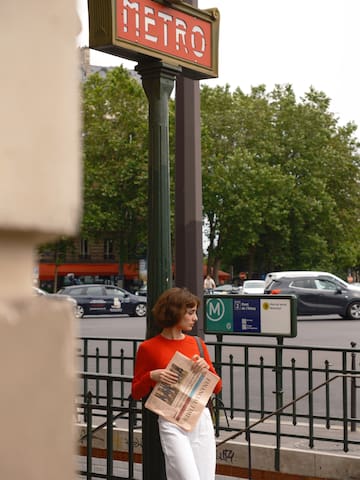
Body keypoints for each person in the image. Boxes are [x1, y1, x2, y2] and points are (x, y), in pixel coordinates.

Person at [131, 287, 222, 480]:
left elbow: (217, 387)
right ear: (174, 312)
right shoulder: (148, 348)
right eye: (190, 313)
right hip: (171, 420)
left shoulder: (197, 343)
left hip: (200, 418)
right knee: (187, 477)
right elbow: (136, 392)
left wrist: (206, 369)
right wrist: (151, 376)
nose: (195, 318)